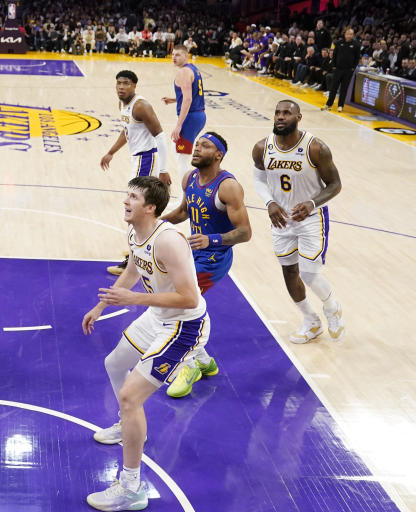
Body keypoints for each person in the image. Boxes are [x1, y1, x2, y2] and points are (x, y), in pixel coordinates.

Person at [82, 176, 210, 511]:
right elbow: (132, 273)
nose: (126, 201)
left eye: (133, 197)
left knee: (129, 396)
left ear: (150, 207)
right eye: (127, 195)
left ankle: (132, 488)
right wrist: (102, 305)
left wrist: (134, 299)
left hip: (184, 325)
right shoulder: (134, 232)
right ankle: (128, 425)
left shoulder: (168, 241)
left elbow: (188, 297)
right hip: (158, 317)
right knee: (114, 364)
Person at [160, 131, 252, 397]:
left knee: (178, 304)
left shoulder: (228, 186)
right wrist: (155, 226)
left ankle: (188, 366)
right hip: (193, 252)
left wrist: (212, 239)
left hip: (216, 258)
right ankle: (202, 360)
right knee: (175, 301)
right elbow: (183, 212)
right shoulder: (190, 178)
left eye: (205, 146)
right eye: (197, 144)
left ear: (218, 155)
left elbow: (245, 232)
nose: (197, 149)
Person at [252, 100, 344, 344]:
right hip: (281, 220)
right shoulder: (262, 147)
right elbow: (259, 180)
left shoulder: (315, 148)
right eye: (277, 112)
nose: (280, 117)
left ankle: (331, 307)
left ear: (298, 117)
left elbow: (335, 184)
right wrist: (269, 203)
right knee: (289, 271)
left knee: (309, 272)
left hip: (312, 218)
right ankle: (311, 321)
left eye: (287, 113)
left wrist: (312, 203)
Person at [100, 70, 172, 277]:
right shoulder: (123, 104)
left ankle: (134, 259)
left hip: (147, 159)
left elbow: (160, 136)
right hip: (138, 159)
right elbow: (127, 131)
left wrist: (164, 170)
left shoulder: (141, 106)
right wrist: (111, 152)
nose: (121, 87)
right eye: (118, 83)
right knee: (138, 208)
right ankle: (143, 249)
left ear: (134, 86)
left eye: (126, 83)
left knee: (135, 208)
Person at [163, 46, 206, 181]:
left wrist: (178, 125)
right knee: (176, 149)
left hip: (190, 118)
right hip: (199, 115)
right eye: (173, 54)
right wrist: (175, 99)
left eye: (178, 55)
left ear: (186, 56)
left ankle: (185, 196)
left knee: (182, 158)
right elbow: (191, 94)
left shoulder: (183, 72)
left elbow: (188, 99)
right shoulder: (194, 69)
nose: (174, 57)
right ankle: (195, 179)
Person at [322, 27, 361, 112]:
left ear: (353, 35)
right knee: (333, 88)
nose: (349, 36)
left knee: (344, 89)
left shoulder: (356, 45)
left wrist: (353, 68)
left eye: (351, 34)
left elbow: (357, 58)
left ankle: (340, 105)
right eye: (348, 34)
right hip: (338, 69)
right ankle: (328, 104)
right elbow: (334, 55)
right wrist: (334, 66)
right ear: (345, 34)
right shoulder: (339, 43)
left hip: (348, 70)